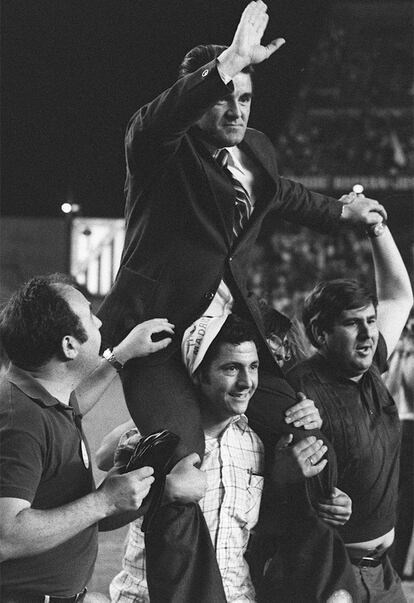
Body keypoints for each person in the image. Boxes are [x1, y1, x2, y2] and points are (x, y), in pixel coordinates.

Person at [97, 0, 387, 602]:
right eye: (222, 96)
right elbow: (150, 123)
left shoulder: (257, 151)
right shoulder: (161, 153)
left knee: (306, 427)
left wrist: (343, 212)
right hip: (156, 333)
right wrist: (227, 62)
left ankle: (325, 588)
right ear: (197, 99)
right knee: (182, 474)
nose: (234, 110)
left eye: (245, 98)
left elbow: (284, 196)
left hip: (229, 327)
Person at [97, 315, 350, 602]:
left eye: (253, 367)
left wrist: (314, 494)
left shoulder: (257, 443)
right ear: (198, 375)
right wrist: (163, 491)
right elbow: (101, 517)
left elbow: (263, 530)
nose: (246, 382)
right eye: (231, 368)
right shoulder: (155, 438)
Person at [0, 273, 175, 603]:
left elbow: (76, 398)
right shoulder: (21, 420)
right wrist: (104, 501)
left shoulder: (42, 397)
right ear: (69, 345)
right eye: (90, 316)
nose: (99, 320)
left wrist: (121, 354)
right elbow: (5, 537)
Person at [286, 214, 413, 602]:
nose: (368, 333)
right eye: (352, 324)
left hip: (383, 574)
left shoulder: (371, 365)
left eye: (371, 321)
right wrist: (312, 501)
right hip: (331, 576)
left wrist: (377, 229)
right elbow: (274, 474)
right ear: (321, 334)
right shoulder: (301, 387)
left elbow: (399, 296)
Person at [384, 314, 414, 578]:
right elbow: (389, 393)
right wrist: (401, 355)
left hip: (411, 424)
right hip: (399, 425)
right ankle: (393, 562)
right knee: (396, 498)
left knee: (408, 500)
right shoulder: (399, 351)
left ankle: (400, 562)